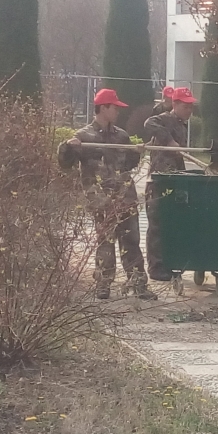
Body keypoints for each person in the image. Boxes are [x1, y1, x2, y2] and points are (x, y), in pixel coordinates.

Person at [58, 88, 156, 301]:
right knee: (105, 242)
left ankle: (138, 283)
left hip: (125, 196)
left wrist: (136, 153)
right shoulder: (83, 137)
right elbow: (65, 164)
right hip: (101, 199)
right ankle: (103, 284)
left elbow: (128, 165)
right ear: (103, 108)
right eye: (115, 108)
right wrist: (67, 147)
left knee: (131, 241)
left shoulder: (121, 136)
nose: (118, 112)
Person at [143, 86, 196, 281]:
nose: (189, 110)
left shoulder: (182, 125)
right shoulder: (164, 119)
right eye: (185, 106)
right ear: (175, 104)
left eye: (191, 107)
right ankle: (156, 267)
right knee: (156, 225)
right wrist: (168, 140)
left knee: (171, 224)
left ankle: (170, 262)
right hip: (158, 180)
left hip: (174, 179)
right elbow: (148, 123)